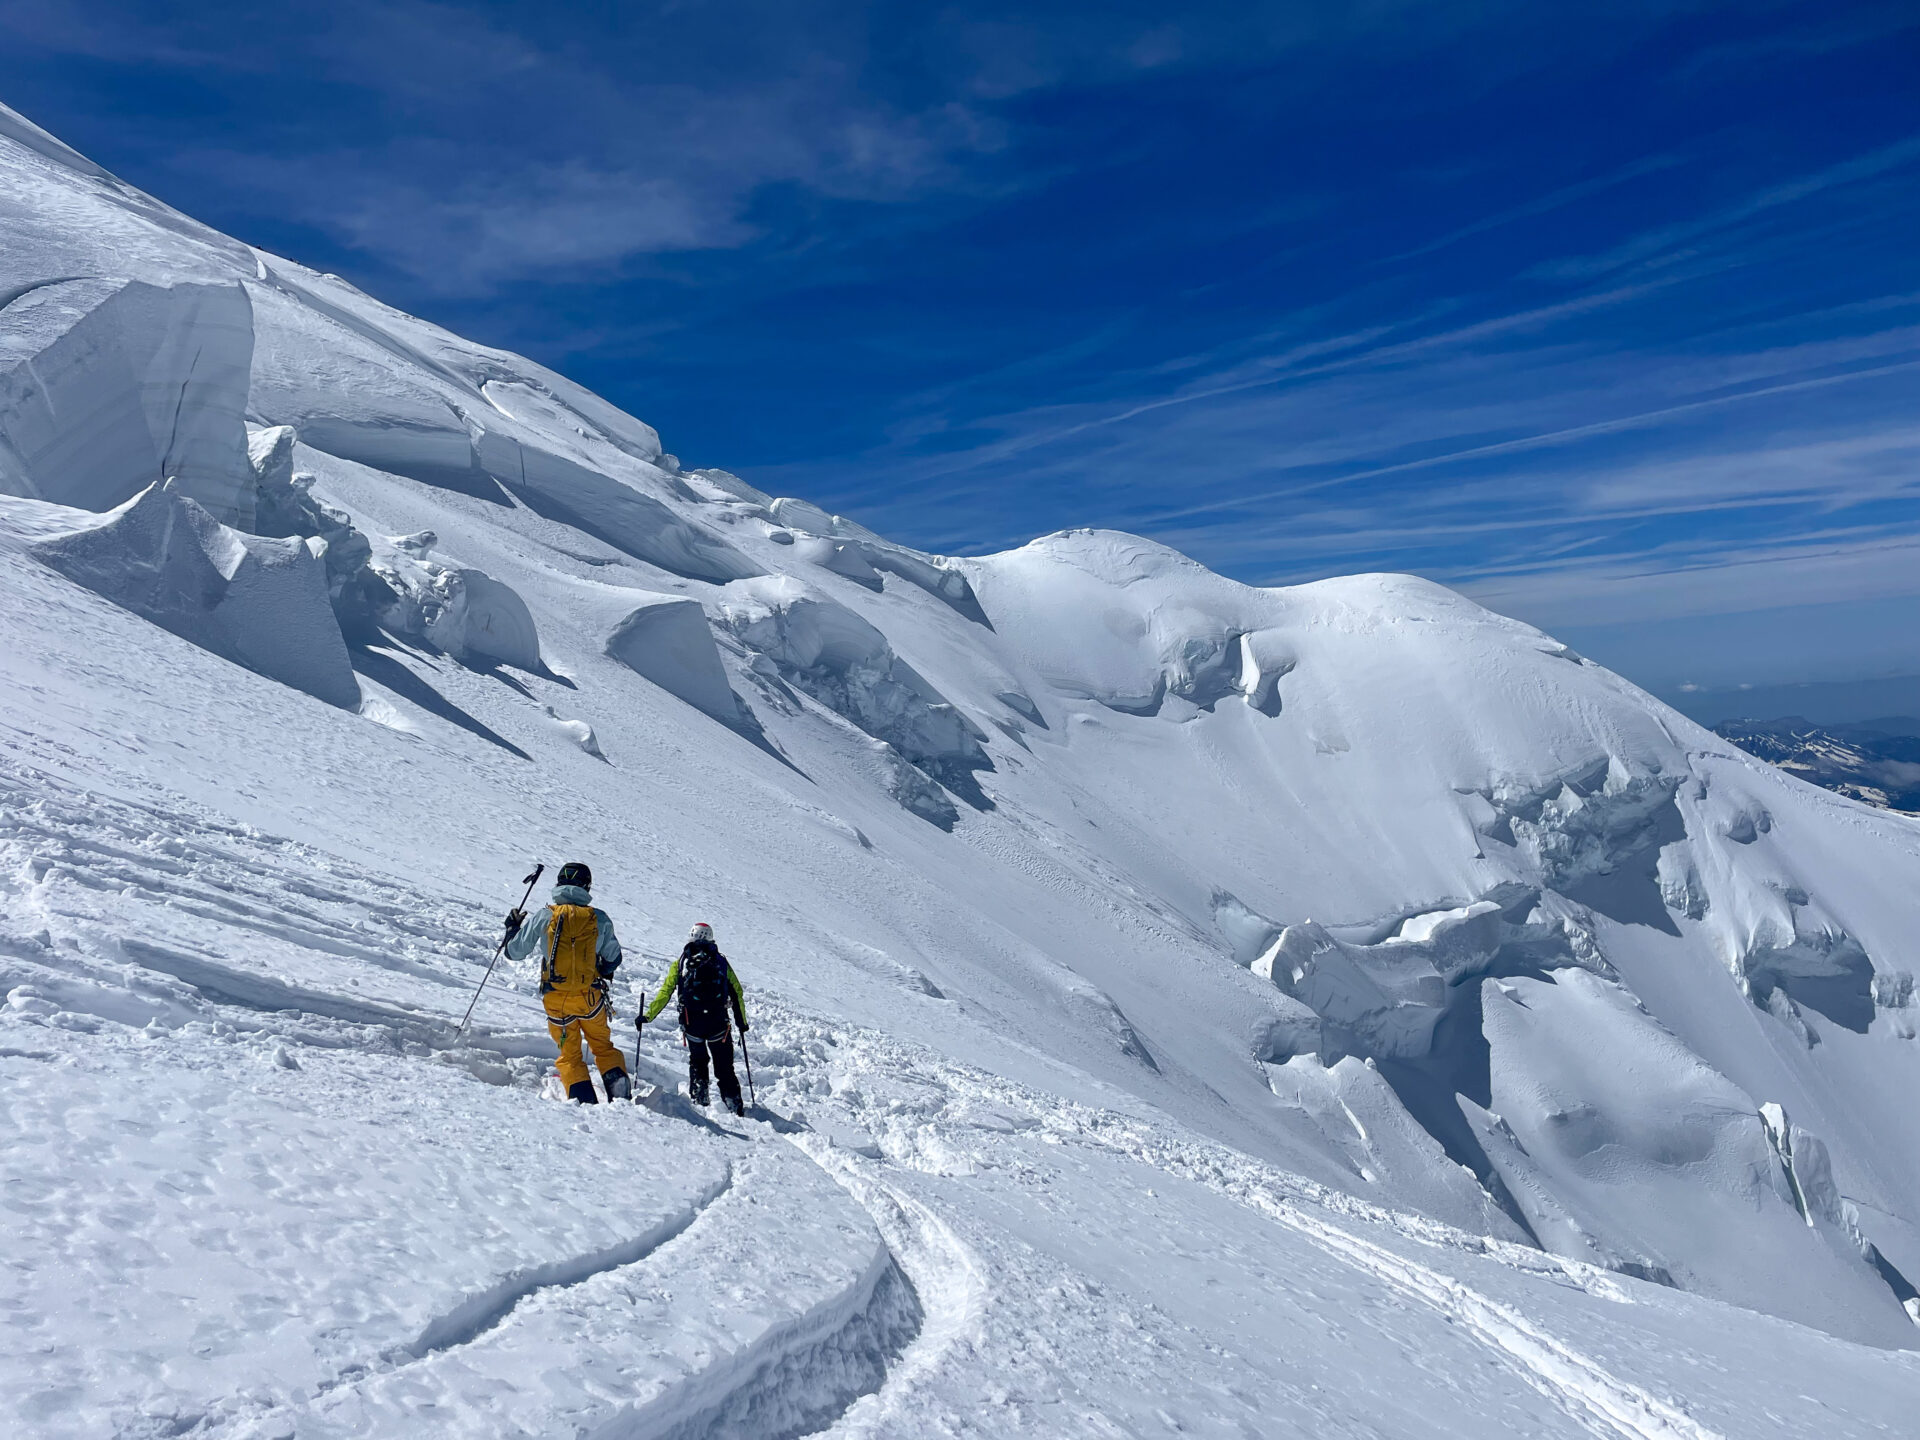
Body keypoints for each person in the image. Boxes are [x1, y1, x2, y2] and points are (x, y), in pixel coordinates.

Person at [504, 861, 630, 1104]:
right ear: (587, 886)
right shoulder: (599, 919)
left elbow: (514, 952)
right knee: (603, 1048)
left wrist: (511, 929)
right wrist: (602, 968)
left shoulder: (545, 915)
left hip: (557, 1000)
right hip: (590, 998)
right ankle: (621, 1099)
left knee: (570, 1055)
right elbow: (613, 958)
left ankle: (584, 1102)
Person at [643, 922, 749, 1114]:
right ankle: (735, 1106)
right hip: (718, 1024)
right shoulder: (720, 962)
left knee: (698, 1062)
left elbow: (666, 991)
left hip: (692, 1024)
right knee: (724, 1067)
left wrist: (647, 1016)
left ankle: (700, 1102)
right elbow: (737, 992)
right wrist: (742, 1022)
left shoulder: (682, 962)